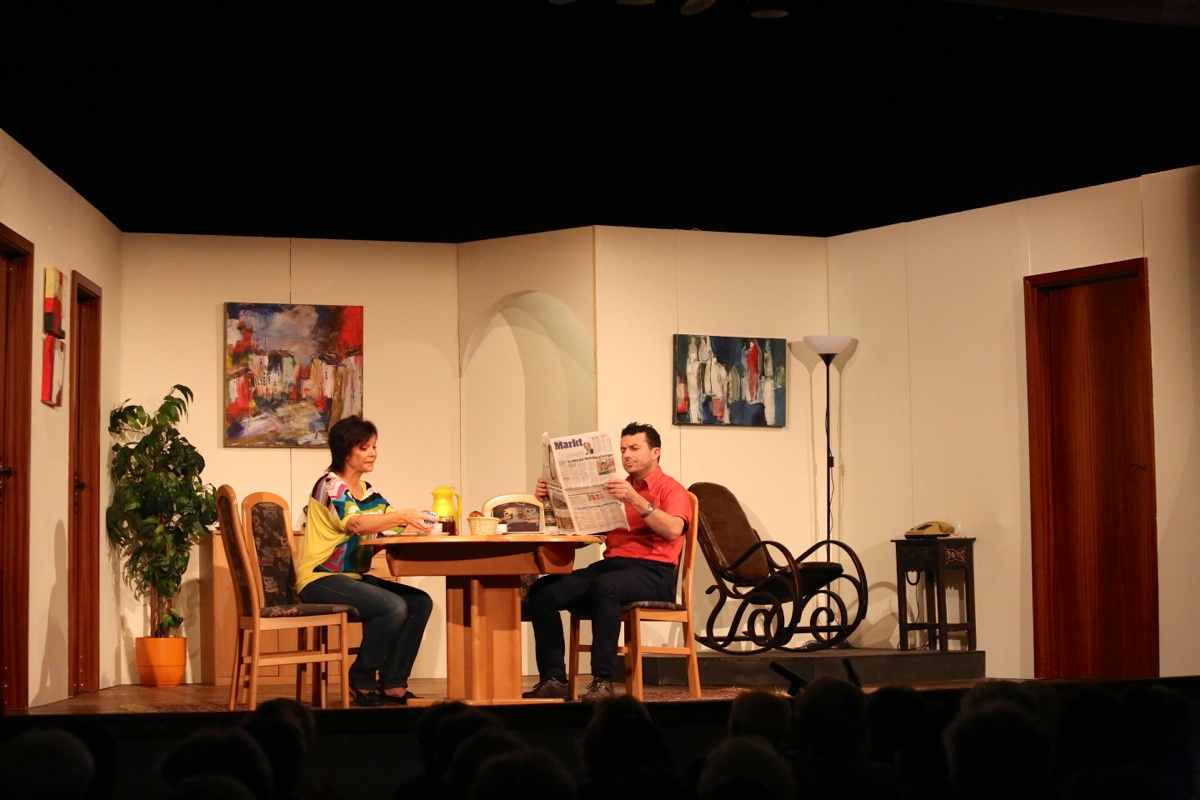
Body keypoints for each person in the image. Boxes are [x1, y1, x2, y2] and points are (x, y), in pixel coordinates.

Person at [524, 422, 693, 702]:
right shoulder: (615, 489)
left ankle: (603, 680)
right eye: (623, 449)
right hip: (613, 566)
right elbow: (583, 537)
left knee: (605, 586)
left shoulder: (671, 489)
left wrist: (636, 500)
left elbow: (674, 529)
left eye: (634, 448)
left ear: (655, 452)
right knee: (543, 591)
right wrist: (548, 502)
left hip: (655, 572)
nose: (626, 455)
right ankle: (554, 679)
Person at [296, 415, 435, 707]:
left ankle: (393, 684)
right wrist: (402, 516)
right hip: (320, 578)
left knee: (419, 603)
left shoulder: (368, 492)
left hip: (352, 578)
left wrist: (421, 523)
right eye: (364, 447)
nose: (372, 453)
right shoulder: (329, 486)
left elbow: (390, 526)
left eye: (374, 446)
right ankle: (359, 679)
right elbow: (357, 524)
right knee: (393, 606)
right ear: (345, 451)